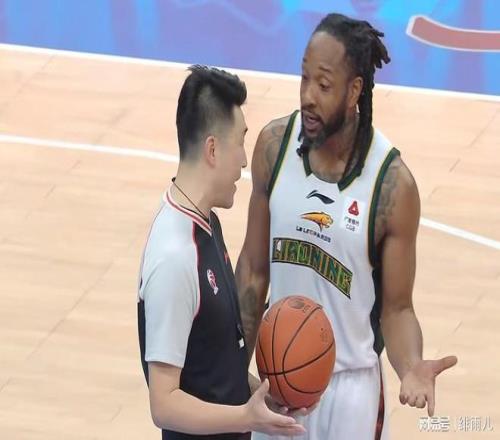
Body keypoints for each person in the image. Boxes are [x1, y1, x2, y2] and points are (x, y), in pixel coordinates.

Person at [235, 13, 458, 439]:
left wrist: (411, 366)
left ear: (354, 90)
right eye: (304, 78)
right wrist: (230, 366)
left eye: (323, 85)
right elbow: (253, 270)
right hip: (277, 381)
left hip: (350, 392)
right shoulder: (273, 147)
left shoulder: (392, 186)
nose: (308, 96)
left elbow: (397, 309)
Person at [137, 65, 305, 440]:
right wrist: (247, 418)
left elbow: (213, 365)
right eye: (240, 142)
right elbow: (163, 403)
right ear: (212, 149)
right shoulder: (174, 257)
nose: (245, 160)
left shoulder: (206, 221)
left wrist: (260, 398)